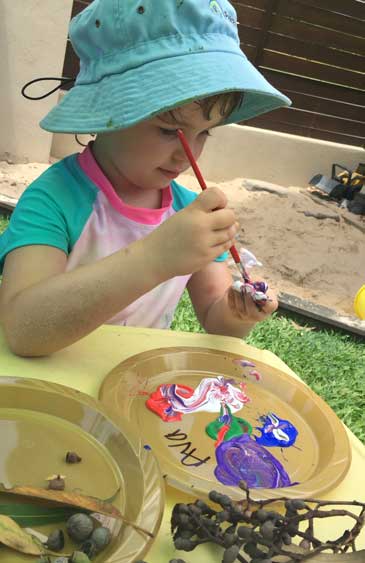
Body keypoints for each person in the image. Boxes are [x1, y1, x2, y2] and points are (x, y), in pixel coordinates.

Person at [0, 0, 291, 357]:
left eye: (205, 133)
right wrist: (153, 259)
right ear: (106, 109)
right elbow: (22, 330)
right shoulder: (55, 197)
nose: (189, 154)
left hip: (134, 391)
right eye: (171, 130)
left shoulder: (187, 211)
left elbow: (217, 321)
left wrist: (238, 311)